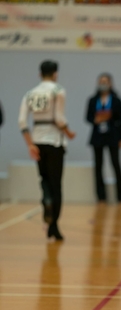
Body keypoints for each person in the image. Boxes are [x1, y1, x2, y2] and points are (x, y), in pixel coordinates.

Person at [18, 60, 75, 240]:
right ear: (55, 73)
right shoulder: (58, 90)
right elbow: (59, 118)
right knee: (56, 183)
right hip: (55, 142)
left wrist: (30, 144)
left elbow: (22, 121)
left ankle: (46, 199)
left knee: (44, 178)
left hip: (37, 141)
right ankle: (54, 226)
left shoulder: (30, 94)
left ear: (39, 74)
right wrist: (69, 133)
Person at [86, 73, 121, 203]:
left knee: (115, 164)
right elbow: (88, 117)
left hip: (112, 135)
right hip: (97, 136)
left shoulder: (116, 100)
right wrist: (95, 120)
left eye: (105, 82)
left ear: (110, 84)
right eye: (101, 82)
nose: (103, 84)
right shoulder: (93, 100)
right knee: (98, 166)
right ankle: (101, 196)